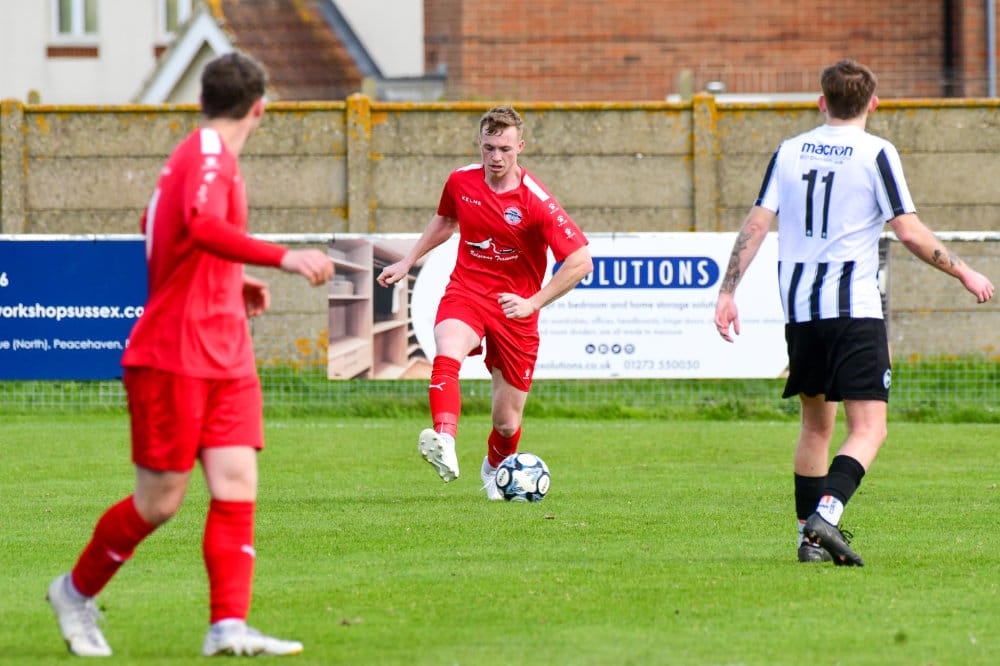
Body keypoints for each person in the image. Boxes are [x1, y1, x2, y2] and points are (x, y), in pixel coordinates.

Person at [46, 51, 334, 657]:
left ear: (203, 98)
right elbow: (201, 225)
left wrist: (230, 278)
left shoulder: (200, 156)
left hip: (226, 353)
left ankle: (228, 626)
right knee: (160, 502)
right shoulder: (206, 155)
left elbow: (166, 232)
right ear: (260, 109)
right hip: (174, 353)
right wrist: (283, 258)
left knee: (237, 482)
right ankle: (73, 592)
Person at [714, 60, 994, 566]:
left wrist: (727, 292)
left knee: (815, 427)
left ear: (822, 102)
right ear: (873, 103)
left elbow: (755, 226)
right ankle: (826, 515)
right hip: (853, 311)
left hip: (801, 311)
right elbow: (908, 231)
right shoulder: (876, 153)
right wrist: (964, 271)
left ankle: (807, 541)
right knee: (869, 428)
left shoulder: (789, 150)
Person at [377, 105, 592, 499]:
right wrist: (407, 261)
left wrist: (533, 303)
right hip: (468, 290)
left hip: (515, 309)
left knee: (507, 423)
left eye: (505, 149)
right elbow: (445, 221)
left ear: (520, 147)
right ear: (479, 143)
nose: (496, 157)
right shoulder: (461, 181)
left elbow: (580, 262)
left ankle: (494, 469)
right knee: (448, 347)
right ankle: (444, 439)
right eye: (489, 148)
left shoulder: (536, 201)